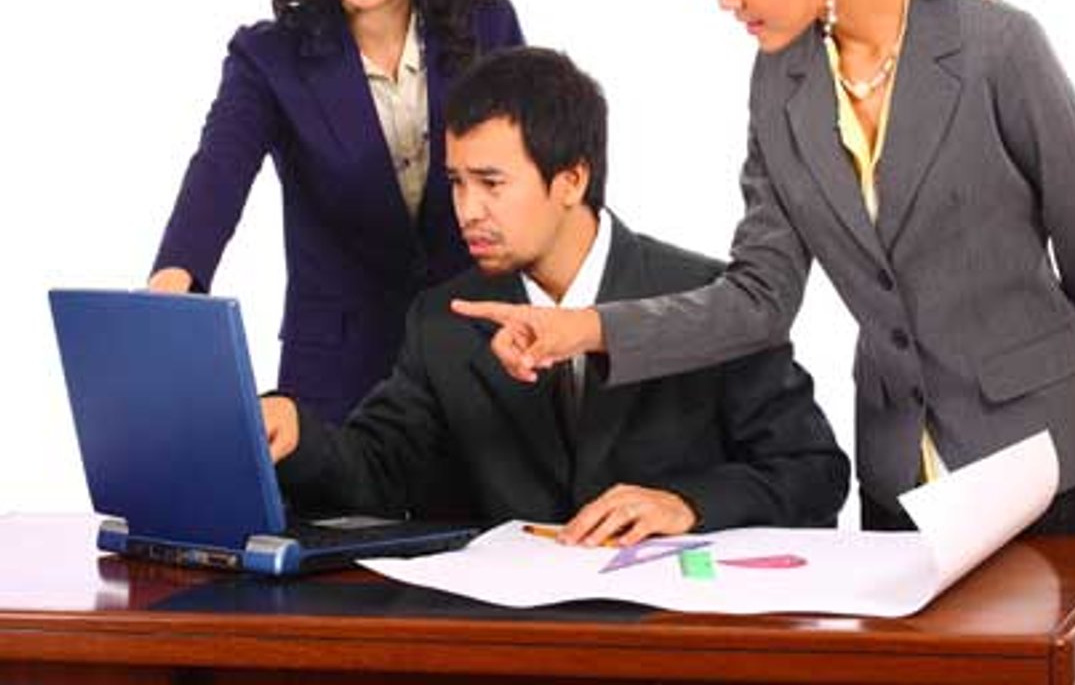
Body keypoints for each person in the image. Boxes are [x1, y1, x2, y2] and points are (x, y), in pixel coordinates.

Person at [453, 0, 1075, 534]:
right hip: (902, 471)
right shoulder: (779, 83)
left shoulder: (995, 46)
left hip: (1050, 459)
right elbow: (760, 297)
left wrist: (1068, 371)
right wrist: (582, 329)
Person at [262, 47, 849, 544]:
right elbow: (378, 473)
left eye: (491, 183)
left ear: (572, 180)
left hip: (674, 628)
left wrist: (687, 504)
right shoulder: (442, 319)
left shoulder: (714, 300)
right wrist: (297, 434)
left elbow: (813, 473)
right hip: (508, 630)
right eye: (457, 183)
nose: (467, 210)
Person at [150, 0, 524, 422]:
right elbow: (216, 176)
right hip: (337, 375)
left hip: (478, 353)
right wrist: (170, 292)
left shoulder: (489, 28)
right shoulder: (269, 58)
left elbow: (535, 173)